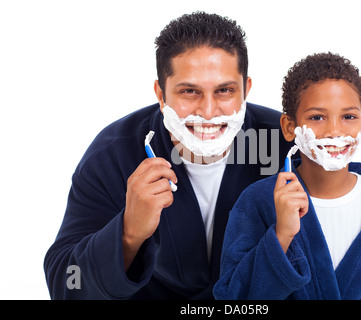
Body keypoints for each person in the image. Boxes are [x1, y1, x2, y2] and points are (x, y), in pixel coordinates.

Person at [44, 11, 294, 299]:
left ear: (245, 90)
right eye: (189, 91)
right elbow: (65, 284)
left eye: (225, 90)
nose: (209, 111)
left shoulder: (286, 144)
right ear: (161, 94)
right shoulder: (113, 155)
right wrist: (128, 234)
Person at [213, 52, 361, 299]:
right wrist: (281, 235)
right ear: (289, 127)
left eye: (348, 117)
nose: (334, 130)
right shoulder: (257, 200)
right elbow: (233, 300)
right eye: (317, 117)